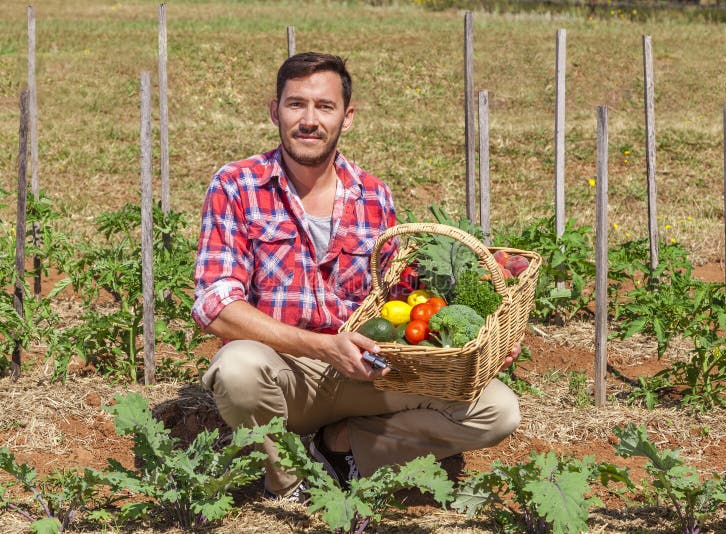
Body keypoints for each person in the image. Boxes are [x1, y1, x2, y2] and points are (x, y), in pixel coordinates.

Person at [192, 52, 521, 499]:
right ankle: (287, 481)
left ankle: (340, 446)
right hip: (284, 373)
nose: (309, 120)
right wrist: (323, 346)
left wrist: (473, 345)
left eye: (324, 107)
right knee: (236, 369)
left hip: (363, 375)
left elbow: (403, 304)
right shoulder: (237, 185)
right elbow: (216, 306)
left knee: (498, 410)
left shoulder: (374, 196)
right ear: (275, 111)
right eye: (296, 105)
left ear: (346, 117)